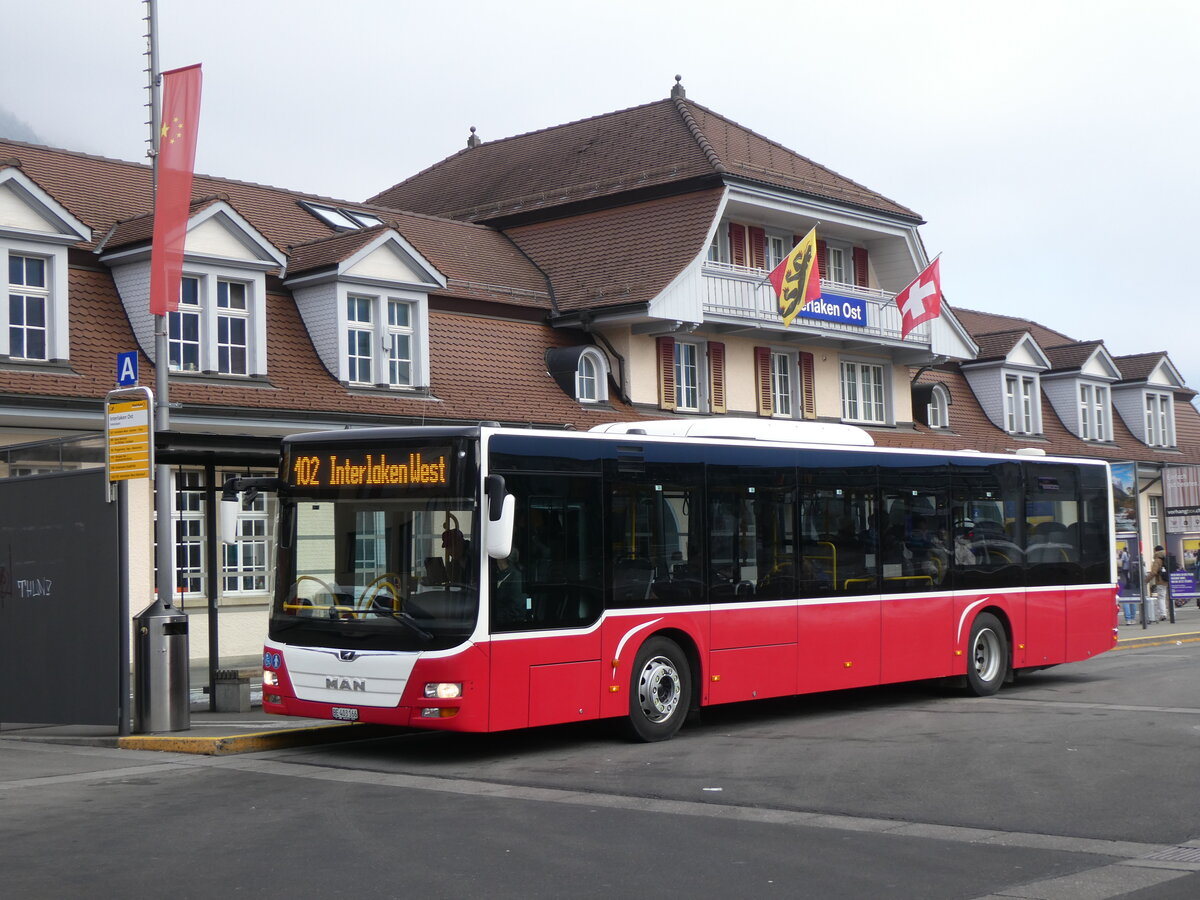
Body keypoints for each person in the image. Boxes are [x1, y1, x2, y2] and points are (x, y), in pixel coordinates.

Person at [491, 548, 526, 628]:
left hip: (507, 626)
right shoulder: (497, 573)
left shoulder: (516, 577)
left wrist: (493, 614)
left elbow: (517, 610)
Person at [1145, 545, 1168, 622]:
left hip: (1161, 581)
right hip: (1170, 580)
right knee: (1169, 597)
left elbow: (1154, 572)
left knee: (1161, 598)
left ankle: (1163, 614)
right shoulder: (1167, 557)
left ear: (1156, 551)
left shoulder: (1157, 560)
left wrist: (1146, 580)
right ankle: (1172, 613)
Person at [1117, 545, 1136, 625]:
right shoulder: (1130, 554)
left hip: (1124, 570)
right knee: (1133, 600)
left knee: (1125, 601)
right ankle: (1133, 618)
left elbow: (1122, 562)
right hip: (1130, 572)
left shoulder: (1124, 554)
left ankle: (1128, 619)